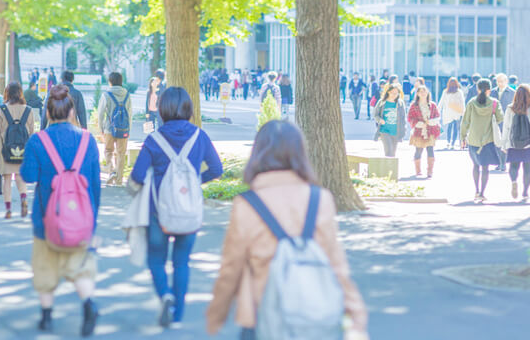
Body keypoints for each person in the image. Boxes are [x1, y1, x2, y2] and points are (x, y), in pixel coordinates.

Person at [206, 119, 368, 339]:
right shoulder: (320, 199)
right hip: (312, 315)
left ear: (257, 154)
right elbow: (335, 262)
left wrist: (216, 316)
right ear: (300, 154)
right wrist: (355, 313)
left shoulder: (247, 204)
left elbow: (231, 268)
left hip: (261, 315)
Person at [130, 87, 223, 327]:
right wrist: (194, 182)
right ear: (189, 109)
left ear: (162, 109)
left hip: (157, 211)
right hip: (188, 210)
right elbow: (217, 169)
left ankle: (165, 296)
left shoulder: (154, 139)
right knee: (182, 262)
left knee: (156, 259)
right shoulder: (199, 136)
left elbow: (138, 175)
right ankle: (178, 315)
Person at [20, 85, 101, 335]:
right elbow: (95, 184)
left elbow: (28, 175)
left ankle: (46, 317)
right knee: (81, 268)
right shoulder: (87, 140)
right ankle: (88, 305)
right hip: (80, 219)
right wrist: (92, 220)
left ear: (47, 112)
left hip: (46, 219)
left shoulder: (37, 141)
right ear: (72, 111)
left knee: (45, 269)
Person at [0, 82, 35, 219]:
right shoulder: (28, 110)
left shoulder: (1, 109)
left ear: (7, 93)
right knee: (20, 177)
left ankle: (8, 210)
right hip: (23, 150)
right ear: (20, 93)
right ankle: (23, 198)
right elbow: (32, 133)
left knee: (7, 180)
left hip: (5, 150)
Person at [460, 79, 503, 203]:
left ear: (477, 89)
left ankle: (476, 190)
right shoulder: (494, 103)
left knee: (475, 165)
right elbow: (500, 118)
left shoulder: (471, 103)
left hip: (473, 140)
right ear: (490, 90)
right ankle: (482, 193)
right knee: (485, 168)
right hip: (488, 140)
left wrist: (463, 137)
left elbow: (465, 122)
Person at [501, 84, 530, 200]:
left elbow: (506, 127)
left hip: (513, 143)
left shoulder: (510, 109)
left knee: (513, 166)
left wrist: (504, 144)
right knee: (527, 168)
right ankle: (525, 193)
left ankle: (514, 182)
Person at [97, 72, 131, 186]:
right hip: (123, 129)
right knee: (121, 153)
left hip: (109, 128)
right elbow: (130, 113)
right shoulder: (127, 95)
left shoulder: (106, 95)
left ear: (110, 81)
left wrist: (101, 128)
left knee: (108, 151)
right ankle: (119, 180)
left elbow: (100, 113)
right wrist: (128, 129)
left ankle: (111, 171)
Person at [407, 86, 440, 178]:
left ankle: (430, 171)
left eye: (424, 91)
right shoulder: (414, 105)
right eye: (420, 91)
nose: (423, 93)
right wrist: (419, 124)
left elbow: (437, 116)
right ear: (417, 94)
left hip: (431, 131)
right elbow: (410, 118)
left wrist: (431, 122)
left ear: (427, 93)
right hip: (419, 131)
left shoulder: (432, 105)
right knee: (418, 150)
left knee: (430, 150)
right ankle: (418, 171)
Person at [490, 73, 515, 172]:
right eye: (498, 81)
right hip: (495, 120)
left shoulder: (512, 92)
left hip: (507, 121)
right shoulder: (492, 92)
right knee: (496, 142)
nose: (500, 83)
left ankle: (503, 163)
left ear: (506, 81)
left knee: (505, 142)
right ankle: (500, 162)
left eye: (501, 81)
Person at [374, 84, 406, 158]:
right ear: (388, 92)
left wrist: (403, 131)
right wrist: (380, 120)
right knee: (388, 151)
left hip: (395, 132)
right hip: (384, 131)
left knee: (393, 154)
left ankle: (390, 166)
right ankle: (387, 165)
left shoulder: (400, 103)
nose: (394, 95)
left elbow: (403, 119)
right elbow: (375, 115)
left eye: (396, 93)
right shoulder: (382, 102)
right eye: (392, 93)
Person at [438, 77, 466, 149]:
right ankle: (453, 143)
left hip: (448, 112)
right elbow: (462, 102)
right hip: (457, 112)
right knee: (455, 128)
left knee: (449, 127)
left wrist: (438, 110)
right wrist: (463, 112)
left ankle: (448, 142)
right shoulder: (459, 92)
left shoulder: (445, 92)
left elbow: (441, 102)